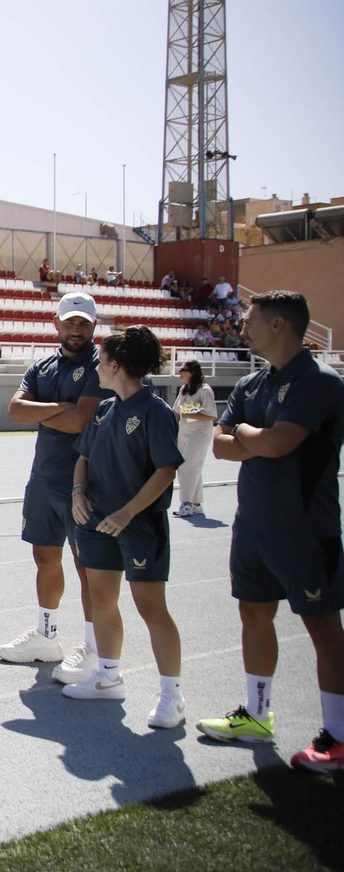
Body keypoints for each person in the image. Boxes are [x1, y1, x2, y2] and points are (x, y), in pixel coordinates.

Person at [199, 291, 344, 773]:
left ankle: (338, 737)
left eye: (250, 319)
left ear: (280, 324)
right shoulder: (251, 382)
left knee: (323, 627)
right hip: (254, 525)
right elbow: (219, 447)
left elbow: (280, 444)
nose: (242, 326)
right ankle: (257, 716)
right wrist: (248, 436)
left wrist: (244, 434)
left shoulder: (318, 381)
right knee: (253, 614)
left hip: (305, 529)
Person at [64, 326, 186, 728]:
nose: (96, 368)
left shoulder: (155, 412)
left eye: (101, 361)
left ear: (116, 365)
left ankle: (171, 696)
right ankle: (108, 678)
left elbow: (166, 470)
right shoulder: (104, 408)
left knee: (151, 608)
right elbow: (83, 456)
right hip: (95, 521)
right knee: (101, 598)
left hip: (137, 526)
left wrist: (128, 512)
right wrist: (79, 492)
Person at [0, 291, 107, 676]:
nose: (75, 329)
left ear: (94, 325)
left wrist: (44, 412)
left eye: (82, 323)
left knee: (87, 566)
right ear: (56, 323)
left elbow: (81, 422)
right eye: (69, 322)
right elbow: (14, 410)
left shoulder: (102, 365)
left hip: (85, 480)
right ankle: (47, 637)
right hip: (44, 476)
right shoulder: (42, 366)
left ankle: (95, 648)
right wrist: (64, 408)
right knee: (44, 556)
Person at [172, 359, 217, 517]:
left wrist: (191, 414)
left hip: (199, 433)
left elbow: (211, 415)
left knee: (187, 466)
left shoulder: (204, 390)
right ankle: (196, 503)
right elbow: (177, 411)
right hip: (184, 432)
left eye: (183, 369)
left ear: (192, 372)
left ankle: (186, 503)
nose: (180, 372)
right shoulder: (184, 389)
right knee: (191, 467)